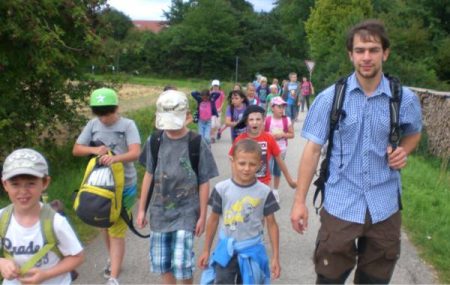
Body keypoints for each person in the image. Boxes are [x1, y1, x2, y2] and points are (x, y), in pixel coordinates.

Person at [290, 19, 422, 284]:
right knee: (329, 278)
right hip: (341, 203)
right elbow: (313, 150)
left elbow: (414, 132)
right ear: (350, 55)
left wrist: (403, 151)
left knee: (375, 281)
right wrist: (299, 201)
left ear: (385, 53)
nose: (366, 57)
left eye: (373, 50)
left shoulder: (404, 99)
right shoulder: (330, 98)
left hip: (385, 205)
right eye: (360, 50)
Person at [137, 90, 219, 284]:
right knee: (162, 262)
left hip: (186, 213)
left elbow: (204, 181)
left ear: (188, 117)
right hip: (159, 213)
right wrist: (141, 210)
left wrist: (202, 216)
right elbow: (149, 175)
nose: (171, 129)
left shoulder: (197, 143)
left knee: (182, 264)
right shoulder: (154, 141)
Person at [73, 88, 141, 285]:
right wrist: (94, 149)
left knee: (117, 229)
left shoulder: (128, 125)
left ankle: (113, 276)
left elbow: (136, 152)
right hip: (100, 186)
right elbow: (77, 149)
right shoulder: (92, 124)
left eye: (107, 113)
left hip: (124, 186)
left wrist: (115, 158)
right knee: (104, 224)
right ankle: (113, 257)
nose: (103, 118)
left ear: (117, 108)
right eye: (99, 113)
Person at [198, 139, 281, 284]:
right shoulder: (221, 189)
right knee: (222, 281)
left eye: (252, 164)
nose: (247, 168)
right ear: (233, 162)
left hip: (252, 250)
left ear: (260, 165)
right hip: (226, 249)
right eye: (242, 163)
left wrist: (275, 257)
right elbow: (213, 220)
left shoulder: (265, 192)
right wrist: (206, 250)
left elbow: (272, 224)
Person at [0, 148, 84, 284]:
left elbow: (77, 257)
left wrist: (45, 275)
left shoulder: (55, 222)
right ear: (5, 184)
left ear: (45, 183)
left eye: (31, 183)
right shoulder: (2, 218)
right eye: (15, 184)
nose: (23, 191)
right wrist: (1, 262)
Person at [229, 105, 297, 192]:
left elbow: (280, 160)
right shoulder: (240, 139)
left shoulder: (269, 138)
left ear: (263, 121)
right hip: (244, 183)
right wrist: (235, 180)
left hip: (263, 184)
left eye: (258, 119)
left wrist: (290, 181)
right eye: (251, 119)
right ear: (246, 122)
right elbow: (232, 158)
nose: (255, 122)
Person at [264, 97, 294, 202]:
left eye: (283, 107)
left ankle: (275, 190)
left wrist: (283, 134)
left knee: (277, 170)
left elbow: (292, 134)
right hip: (268, 149)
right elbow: (262, 133)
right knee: (267, 169)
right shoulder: (267, 120)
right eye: (279, 107)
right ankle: (266, 191)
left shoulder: (287, 120)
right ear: (272, 108)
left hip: (281, 149)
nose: (281, 109)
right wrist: (270, 135)